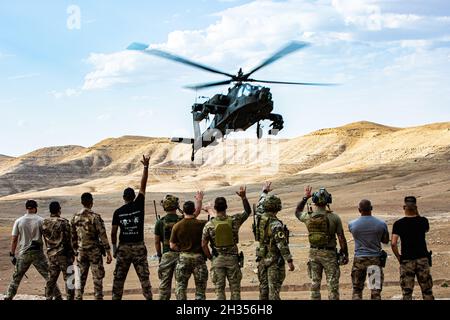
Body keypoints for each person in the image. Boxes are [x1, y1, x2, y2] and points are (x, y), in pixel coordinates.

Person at [295, 186, 348, 300]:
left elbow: (297, 212)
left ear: (314, 201)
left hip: (313, 253)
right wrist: (345, 254)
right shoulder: (334, 218)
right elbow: (341, 238)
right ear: (328, 200)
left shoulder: (308, 216)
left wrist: (305, 198)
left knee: (315, 284)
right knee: (332, 285)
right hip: (330, 254)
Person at [111, 155, 153, 300]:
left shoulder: (118, 212)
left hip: (123, 248)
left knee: (118, 280)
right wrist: (146, 167)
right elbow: (143, 184)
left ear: (123, 197)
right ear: (134, 196)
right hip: (138, 248)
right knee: (144, 279)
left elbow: (114, 231)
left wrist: (114, 248)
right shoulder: (139, 204)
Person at [5, 200, 62, 300]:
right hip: (38, 253)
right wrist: (49, 251)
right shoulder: (41, 220)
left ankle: (9, 296)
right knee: (49, 276)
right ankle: (58, 296)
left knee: (16, 278)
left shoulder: (19, 221)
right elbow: (46, 238)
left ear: (26, 208)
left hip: (24, 253)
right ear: (35, 208)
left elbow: (14, 239)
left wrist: (12, 254)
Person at [201, 186, 252, 300]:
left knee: (219, 290)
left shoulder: (209, 225)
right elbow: (248, 211)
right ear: (226, 207)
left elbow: (203, 244)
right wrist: (243, 198)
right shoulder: (234, 220)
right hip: (233, 260)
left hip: (217, 260)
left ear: (215, 208)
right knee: (235, 290)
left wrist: (211, 257)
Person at [256, 182, 295, 300]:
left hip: (262, 258)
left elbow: (259, 205)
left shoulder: (260, 217)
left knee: (263, 290)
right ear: (277, 208)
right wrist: (290, 261)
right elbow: (282, 244)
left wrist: (264, 192)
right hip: (274, 261)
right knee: (274, 292)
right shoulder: (276, 224)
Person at [391, 196, 434, 300]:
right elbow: (426, 229)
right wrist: (416, 211)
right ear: (416, 207)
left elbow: (393, 243)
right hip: (422, 259)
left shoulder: (398, 224)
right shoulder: (423, 221)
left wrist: (399, 257)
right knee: (427, 290)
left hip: (406, 259)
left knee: (407, 292)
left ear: (404, 207)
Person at [71, 192, 112, 300]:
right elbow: (102, 235)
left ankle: (78, 297)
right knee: (97, 279)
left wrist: (75, 251)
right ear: (91, 202)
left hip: (81, 252)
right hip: (94, 252)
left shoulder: (75, 217)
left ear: (82, 202)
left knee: (80, 279)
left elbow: (73, 237)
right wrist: (108, 252)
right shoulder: (95, 217)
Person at [170, 192, 208, 300]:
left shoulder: (177, 226)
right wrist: (199, 201)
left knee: (180, 288)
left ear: (183, 210)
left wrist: (181, 249)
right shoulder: (201, 224)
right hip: (199, 259)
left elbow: (172, 245)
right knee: (200, 290)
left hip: (183, 259)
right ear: (193, 210)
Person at [348, 199, 389, 300]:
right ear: (371, 208)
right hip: (375, 259)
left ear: (359, 210)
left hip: (359, 259)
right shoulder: (381, 224)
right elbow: (385, 240)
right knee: (375, 291)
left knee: (357, 290)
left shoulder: (352, 224)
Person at [42, 201, 75, 300]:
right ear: (59, 210)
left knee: (51, 280)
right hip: (64, 255)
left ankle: (48, 297)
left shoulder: (44, 222)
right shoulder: (64, 222)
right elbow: (69, 240)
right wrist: (72, 254)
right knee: (69, 280)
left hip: (51, 255)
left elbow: (45, 239)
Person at [154, 194, 184, 300]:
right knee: (180, 285)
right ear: (176, 206)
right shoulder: (182, 220)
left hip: (166, 255)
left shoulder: (160, 222)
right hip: (181, 255)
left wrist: (159, 256)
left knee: (164, 285)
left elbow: (157, 242)